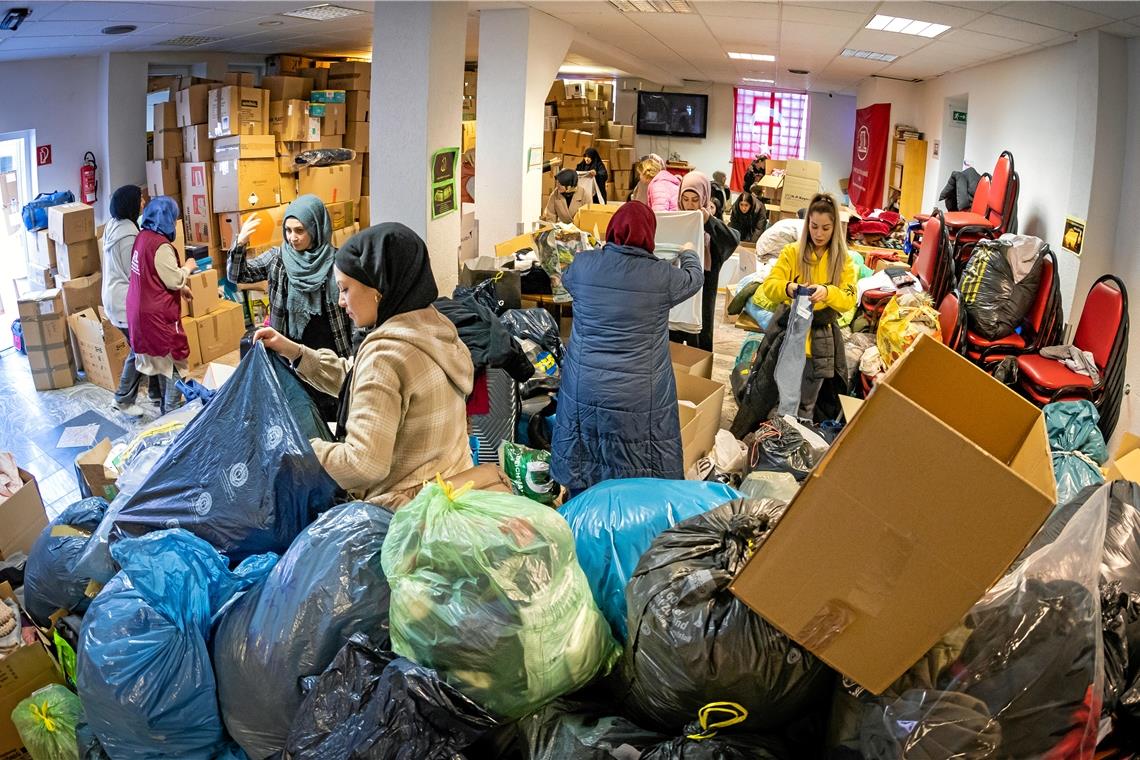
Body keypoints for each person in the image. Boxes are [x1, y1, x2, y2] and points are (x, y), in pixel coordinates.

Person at [253, 223, 475, 508]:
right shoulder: (433, 327)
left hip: (405, 514)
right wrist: (296, 353)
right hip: (449, 490)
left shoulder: (386, 355)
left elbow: (363, 464)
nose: (340, 301)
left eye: (345, 289)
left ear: (378, 290)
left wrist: (295, 448)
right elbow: (363, 381)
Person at [551, 202, 703, 495]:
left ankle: (582, 523)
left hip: (586, 386)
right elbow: (695, 279)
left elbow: (566, 276)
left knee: (585, 457)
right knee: (639, 464)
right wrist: (688, 252)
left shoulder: (584, 266)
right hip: (640, 393)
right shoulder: (662, 276)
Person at [731, 193, 857, 432]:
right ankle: (775, 444)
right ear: (807, 223)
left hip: (818, 342)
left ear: (835, 229)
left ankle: (795, 446)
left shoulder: (843, 261)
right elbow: (769, 287)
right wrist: (788, 288)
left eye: (826, 228)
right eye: (814, 226)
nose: (819, 233)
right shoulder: (792, 252)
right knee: (774, 397)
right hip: (787, 336)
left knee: (807, 404)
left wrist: (827, 292)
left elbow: (849, 299)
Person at [228, 195, 351, 420]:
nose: (292, 238)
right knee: (297, 413)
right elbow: (238, 275)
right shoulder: (278, 258)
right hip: (288, 352)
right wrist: (240, 244)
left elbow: (350, 314)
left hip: (328, 353)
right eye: (288, 230)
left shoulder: (337, 262)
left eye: (300, 231)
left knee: (331, 414)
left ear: (316, 228)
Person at [125, 196, 197, 415]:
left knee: (160, 364)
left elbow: (152, 275)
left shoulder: (142, 237)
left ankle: (168, 408)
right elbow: (173, 278)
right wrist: (187, 268)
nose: (175, 223)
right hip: (156, 317)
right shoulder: (161, 245)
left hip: (138, 309)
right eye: (174, 219)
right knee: (174, 362)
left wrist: (180, 288)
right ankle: (173, 417)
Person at [669, 171, 740, 352]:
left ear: (704, 198)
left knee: (699, 342)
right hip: (678, 289)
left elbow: (732, 240)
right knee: (673, 338)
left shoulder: (711, 222)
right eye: (685, 199)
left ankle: (700, 379)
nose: (690, 205)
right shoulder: (675, 220)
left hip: (704, 291)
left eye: (695, 199)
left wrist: (708, 221)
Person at [102, 184, 157, 416]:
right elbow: (134, 272)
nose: (143, 202)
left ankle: (156, 394)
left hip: (113, 296)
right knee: (141, 348)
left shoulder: (113, 226)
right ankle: (123, 399)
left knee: (149, 346)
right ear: (131, 204)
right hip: (124, 301)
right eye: (140, 199)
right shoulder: (129, 236)